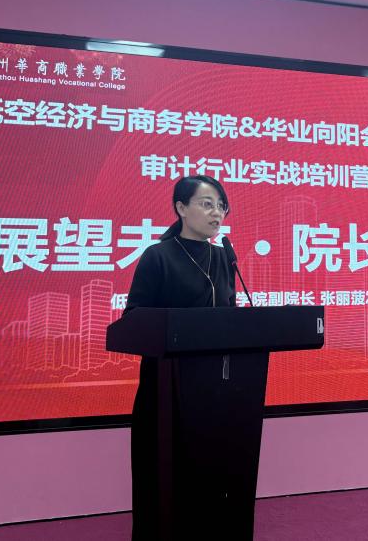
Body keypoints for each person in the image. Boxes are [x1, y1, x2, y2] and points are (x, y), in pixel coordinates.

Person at [125, 175, 253, 539]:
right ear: (181, 208)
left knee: (211, 473)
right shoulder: (158, 256)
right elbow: (134, 318)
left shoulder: (223, 258)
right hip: (166, 388)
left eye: (221, 206)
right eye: (207, 204)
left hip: (216, 389)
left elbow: (228, 316)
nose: (217, 213)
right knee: (165, 473)